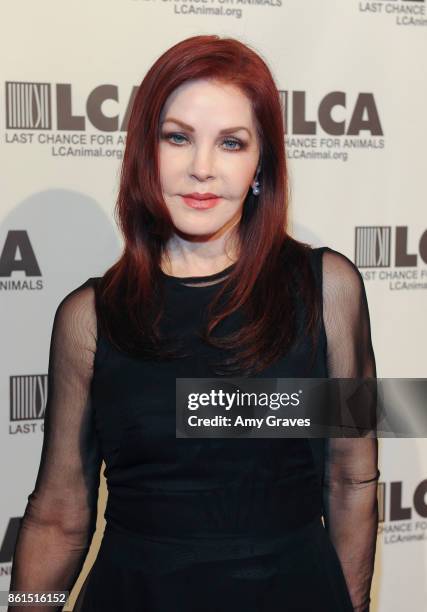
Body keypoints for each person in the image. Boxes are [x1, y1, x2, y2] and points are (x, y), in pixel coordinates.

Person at [8, 34, 380, 612]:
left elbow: (351, 479)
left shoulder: (327, 289)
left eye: (231, 143)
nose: (201, 168)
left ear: (261, 166)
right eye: (177, 137)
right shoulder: (90, 318)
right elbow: (58, 516)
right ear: (145, 153)